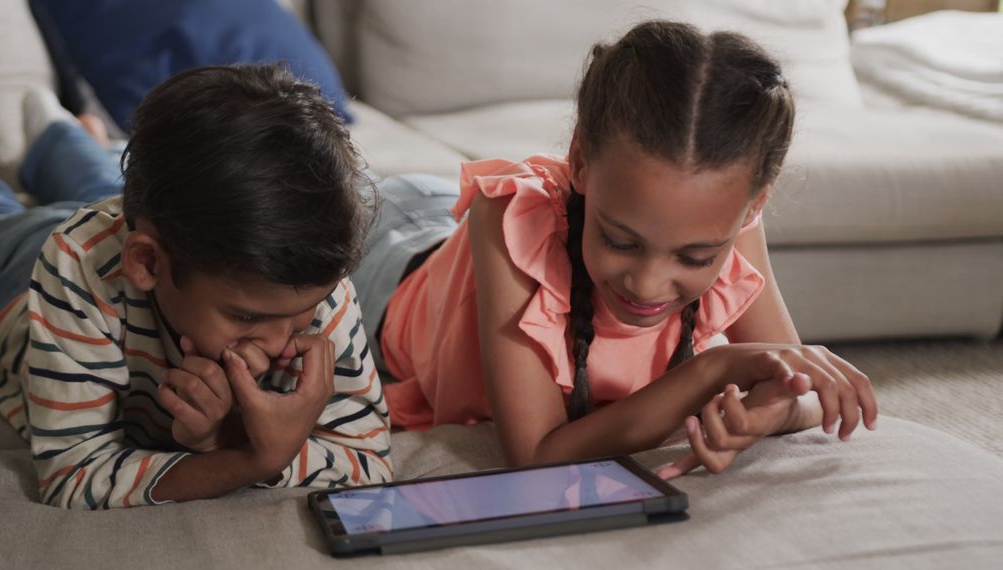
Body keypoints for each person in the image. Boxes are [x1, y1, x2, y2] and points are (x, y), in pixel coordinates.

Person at [349, 21, 878, 479]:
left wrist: (769, 413)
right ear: (579, 159)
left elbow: (799, 389)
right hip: (393, 251)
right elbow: (536, 455)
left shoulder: (727, 211)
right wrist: (710, 372)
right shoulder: (504, 217)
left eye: (694, 258)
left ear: (754, 204)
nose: (647, 285)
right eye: (621, 240)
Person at [0, 64, 391, 509]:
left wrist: (224, 440)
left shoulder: (306, 274)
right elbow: (74, 477)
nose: (279, 341)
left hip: (127, 227)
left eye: (304, 310)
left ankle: (56, 131)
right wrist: (255, 458)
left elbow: (368, 462)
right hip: (21, 280)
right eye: (246, 317)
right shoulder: (78, 265)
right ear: (147, 263)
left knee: (104, 185)